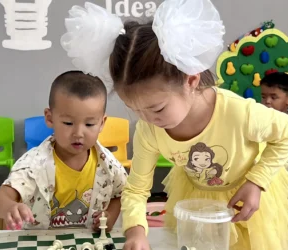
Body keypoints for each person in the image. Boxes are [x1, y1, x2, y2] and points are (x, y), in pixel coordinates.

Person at [61, 1, 288, 249]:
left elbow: (285, 134)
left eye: (157, 109)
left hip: (250, 200)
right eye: (134, 109)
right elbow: (136, 189)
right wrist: (135, 232)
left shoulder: (239, 113)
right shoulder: (149, 129)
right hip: (196, 202)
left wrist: (257, 182)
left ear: (191, 80)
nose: (146, 119)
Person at [0, 71, 127, 231]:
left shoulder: (108, 164)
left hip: (88, 243)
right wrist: (9, 207)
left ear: (102, 123)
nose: (78, 133)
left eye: (89, 124)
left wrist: (109, 216)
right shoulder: (33, 165)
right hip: (42, 243)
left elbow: (121, 193)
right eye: (68, 123)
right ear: (49, 118)